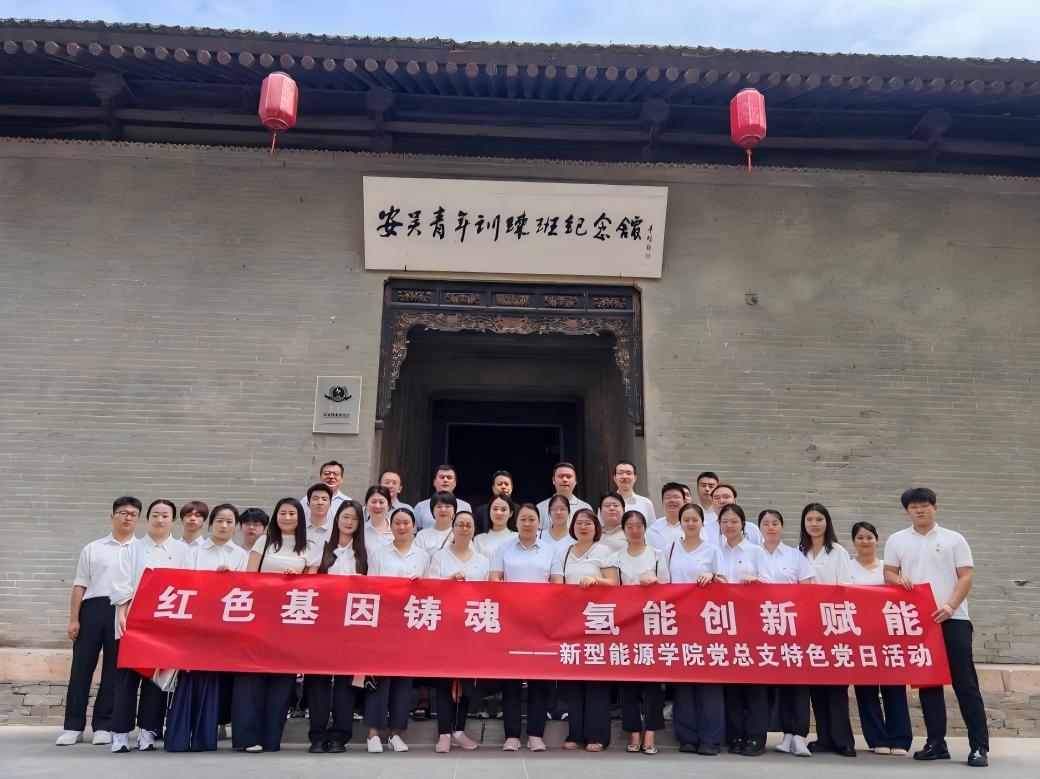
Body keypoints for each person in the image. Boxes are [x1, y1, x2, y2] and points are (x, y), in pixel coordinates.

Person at [885, 487, 989, 768]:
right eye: (914, 507)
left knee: (965, 683)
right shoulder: (897, 540)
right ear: (907, 511)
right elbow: (889, 571)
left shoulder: (954, 539)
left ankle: (979, 746)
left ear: (935, 507)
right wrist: (897, 580)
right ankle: (936, 743)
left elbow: (966, 576)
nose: (920, 510)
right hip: (920, 623)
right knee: (928, 683)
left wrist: (951, 605)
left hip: (953, 619)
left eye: (925, 505)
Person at [233, 498, 320, 753]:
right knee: (251, 676)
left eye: (292, 513)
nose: (287, 517)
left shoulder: (310, 546)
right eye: (282, 512)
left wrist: (297, 581)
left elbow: (313, 585)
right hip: (260, 617)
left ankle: (272, 738)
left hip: (290, 621)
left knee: (282, 680)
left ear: (300, 517)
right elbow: (249, 577)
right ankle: (249, 737)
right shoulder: (264, 541)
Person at [55, 496, 140, 748]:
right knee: (81, 667)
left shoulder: (141, 550)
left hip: (124, 610)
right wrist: (74, 619)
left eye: (133, 514)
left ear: (138, 519)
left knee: (114, 670)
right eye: (123, 512)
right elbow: (80, 585)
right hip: (93, 608)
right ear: (112, 516)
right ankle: (73, 726)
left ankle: (103, 725)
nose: (127, 517)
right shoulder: (93, 548)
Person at [109, 499, 190, 753]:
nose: (160, 520)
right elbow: (121, 583)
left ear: (173, 520)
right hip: (133, 622)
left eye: (165, 516)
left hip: (166, 625)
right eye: (155, 515)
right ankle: (120, 733)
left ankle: (148, 732)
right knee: (127, 679)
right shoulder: (132, 548)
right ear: (148, 518)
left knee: (156, 681)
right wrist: (121, 613)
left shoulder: (183, 551)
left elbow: (188, 584)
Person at [166, 504, 247, 753]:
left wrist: (229, 579)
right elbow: (183, 583)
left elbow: (246, 589)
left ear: (235, 527)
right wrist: (212, 579)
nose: (224, 525)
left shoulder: (241, 555)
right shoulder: (195, 552)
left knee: (212, 678)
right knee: (189, 675)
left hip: (224, 625)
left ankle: (204, 737)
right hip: (195, 621)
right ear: (211, 524)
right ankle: (179, 737)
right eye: (220, 520)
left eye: (230, 522)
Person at [489, 503, 563, 751]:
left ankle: (535, 734)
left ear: (539, 523)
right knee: (510, 680)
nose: (528, 523)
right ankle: (511, 735)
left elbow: (557, 583)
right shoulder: (504, 548)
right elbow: (495, 580)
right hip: (511, 622)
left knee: (538, 680)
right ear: (516, 522)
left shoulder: (550, 550)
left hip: (541, 623)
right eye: (523, 519)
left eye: (532, 519)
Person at [306, 500, 368, 753]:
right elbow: (309, 582)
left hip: (352, 625)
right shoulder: (320, 548)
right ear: (337, 519)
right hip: (322, 623)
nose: (349, 522)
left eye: (354, 518)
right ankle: (317, 735)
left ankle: (340, 735)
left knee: (345, 682)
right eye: (345, 517)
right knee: (318, 679)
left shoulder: (364, 553)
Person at [365, 507, 428, 752]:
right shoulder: (379, 553)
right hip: (384, 622)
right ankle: (373, 733)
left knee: (403, 680)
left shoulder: (423, 556)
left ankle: (395, 733)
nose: (402, 527)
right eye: (397, 523)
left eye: (406, 523)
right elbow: (371, 586)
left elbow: (430, 591)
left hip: (410, 624)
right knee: (379, 677)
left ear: (414, 527)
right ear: (390, 526)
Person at [666, 503, 726, 756]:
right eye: (686, 520)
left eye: (695, 520)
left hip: (707, 623)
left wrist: (712, 578)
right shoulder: (670, 549)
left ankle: (711, 738)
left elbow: (724, 582)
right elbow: (665, 582)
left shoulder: (713, 550)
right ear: (680, 523)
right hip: (679, 622)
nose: (690, 524)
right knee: (684, 682)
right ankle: (687, 736)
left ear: (702, 523)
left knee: (709, 682)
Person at [848, 520, 912, 756]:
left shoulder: (889, 569)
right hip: (860, 638)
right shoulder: (847, 567)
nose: (865, 541)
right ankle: (877, 738)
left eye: (869, 537)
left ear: (877, 540)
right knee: (866, 690)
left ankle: (900, 738)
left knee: (894, 687)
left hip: (888, 637)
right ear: (853, 541)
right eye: (860, 537)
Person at [425, 511, 486, 753]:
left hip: (472, 628)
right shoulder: (440, 557)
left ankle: (459, 730)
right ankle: (444, 733)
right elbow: (430, 588)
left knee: (467, 683)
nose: (464, 528)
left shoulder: (482, 560)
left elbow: (489, 593)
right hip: (446, 628)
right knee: (444, 681)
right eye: (460, 524)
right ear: (453, 527)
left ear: (474, 529)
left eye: (469, 525)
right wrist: (449, 581)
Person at [558, 508, 619, 752]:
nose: (583, 527)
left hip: (597, 622)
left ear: (596, 528)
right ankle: (575, 733)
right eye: (579, 523)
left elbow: (615, 582)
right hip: (570, 623)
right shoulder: (565, 552)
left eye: (588, 523)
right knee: (573, 681)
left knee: (596, 680)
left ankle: (597, 735)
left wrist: (597, 581)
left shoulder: (603, 551)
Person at [799, 502, 856, 758]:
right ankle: (824, 738)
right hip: (807, 628)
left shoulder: (838, 551)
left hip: (833, 626)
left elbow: (845, 587)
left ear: (827, 522)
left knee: (836, 686)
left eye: (819, 519)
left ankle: (843, 741)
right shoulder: (799, 552)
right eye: (809, 519)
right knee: (816, 687)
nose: (814, 524)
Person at [758, 509, 815, 758]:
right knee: (777, 683)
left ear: (782, 527)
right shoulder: (752, 554)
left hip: (792, 627)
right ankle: (786, 734)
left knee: (798, 682)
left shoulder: (795, 555)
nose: (770, 527)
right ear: (759, 528)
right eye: (765, 523)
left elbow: (808, 591)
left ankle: (800, 734)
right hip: (761, 628)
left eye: (775, 523)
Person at [717, 503, 772, 757]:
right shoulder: (715, 551)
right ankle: (736, 734)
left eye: (734, 521)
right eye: (725, 521)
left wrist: (756, 581)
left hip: (753, 625)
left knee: (755, 684)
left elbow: (770, 582)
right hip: (724, 625)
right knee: (732, 685)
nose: (729, 526)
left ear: (743, 525)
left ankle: (755, 736)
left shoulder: (756, 551)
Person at [613, 509, 670, 754]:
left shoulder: (657, 555)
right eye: (630, 526)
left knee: (652, 684)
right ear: (623, 530)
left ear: (646, 528)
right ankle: (633, 733)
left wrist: (655, 583)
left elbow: (668, 588)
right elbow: (612, 590)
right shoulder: (616, 557)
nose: (635, 530)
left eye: (639, 526)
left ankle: (651, 735)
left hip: (651, 626)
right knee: (628, 685)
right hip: (625, 626)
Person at [413, 464, 472, 531]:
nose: (445, 480)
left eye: (449, 477)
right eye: (442, 477)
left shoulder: (465, 506)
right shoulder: (420, 507)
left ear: (455, 483)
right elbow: (414, 532)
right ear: (434, 482)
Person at [536, 462, 592, 530]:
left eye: (569, 477)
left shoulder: (585, 507)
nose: (565, 480)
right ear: (553, 480)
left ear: (576, 481)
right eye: (560, 476)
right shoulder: (540, 508)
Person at [473, 494, 518, 560]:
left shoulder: (517, 538)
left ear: (510, 513)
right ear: (489, 512)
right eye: (495, 509)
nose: (498, 513)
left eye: (503, 509)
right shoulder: (479, 539)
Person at [611, 460, 656, 525]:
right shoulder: (607, 504)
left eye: (628, 473)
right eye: (620, 473)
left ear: (635, 478)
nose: (624, 476)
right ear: (615, 478)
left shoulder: (646, 503)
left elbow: (651, 528)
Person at [646, 482, 686, 553]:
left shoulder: (694, 526)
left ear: (684, 501)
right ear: (662, 502)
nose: (672, 500)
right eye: (667, 497)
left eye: (676, 497)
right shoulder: (653, 529)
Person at [415, 491, 456, 555]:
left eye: (447, 506)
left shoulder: (460, 533)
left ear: (454, 510)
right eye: (439, 506)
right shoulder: (422, 535)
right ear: (432, 511)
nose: (443, 510)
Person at [473, 470, 514, 535]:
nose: (503, 487)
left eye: (506, 484)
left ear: (511, 488)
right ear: (493, 488)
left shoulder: (520, 510)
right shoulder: (480, 511)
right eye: (499, 484)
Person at [363, 484, 394, 555]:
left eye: (381, 502)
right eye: (373, 502)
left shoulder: (396, 530)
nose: (377, 506)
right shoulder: (361, 531)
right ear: (366, 504)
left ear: (389, 506)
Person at [304, 482, 335, 549]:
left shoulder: (336, 530)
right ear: (308, 504)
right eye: (315, 499)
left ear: (330, 504)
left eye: (324, 499)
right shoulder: (299, 528)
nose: (320, 502)